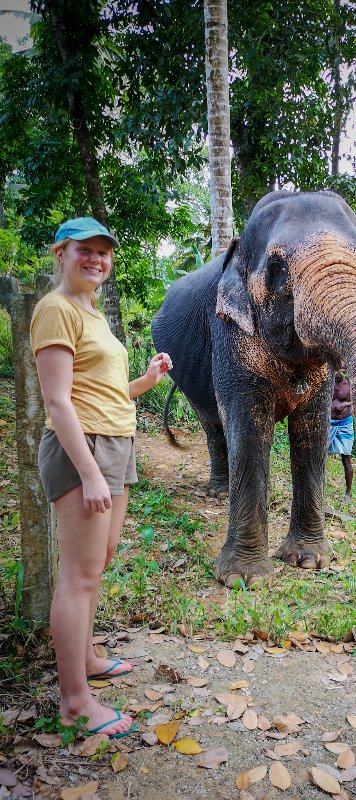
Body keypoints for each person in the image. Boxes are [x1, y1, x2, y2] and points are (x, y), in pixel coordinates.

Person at [30, 217, 172, 738]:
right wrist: (88, 472)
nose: (96, 259)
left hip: (115, 443)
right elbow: (57, 401)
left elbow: (105, 393)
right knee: (79, 574)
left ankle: (86, 657)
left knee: (101, 560)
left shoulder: (91, 313)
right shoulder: (55, 309)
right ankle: (74, 702)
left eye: (104, 252)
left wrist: (146, 381)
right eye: (84, 250)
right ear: (61, 253)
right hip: (82, 450)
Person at [329, 370, 354, 503]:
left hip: (345, 424)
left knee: (346, 459)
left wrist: (346, 404)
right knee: (319, 456)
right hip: (327, 423)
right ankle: (318, 489)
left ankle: (348, 494)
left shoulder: (350, 383)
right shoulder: (327, 380)